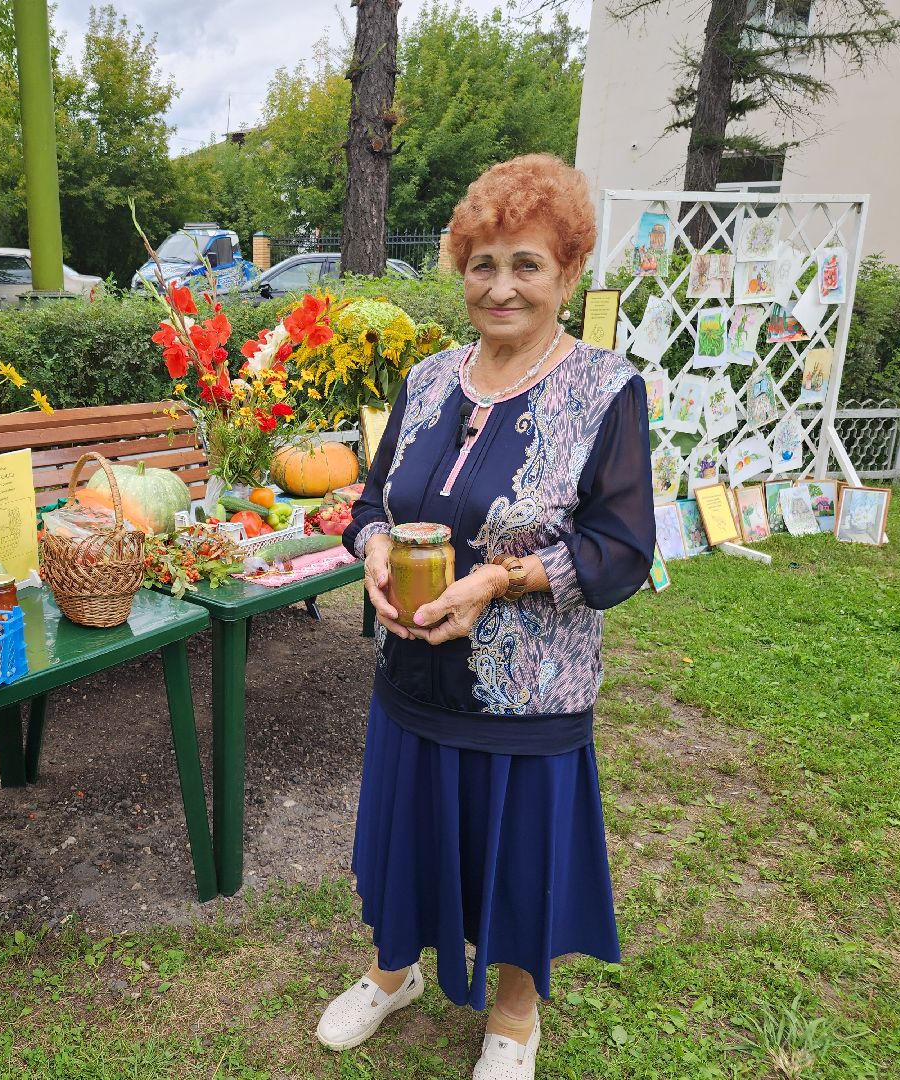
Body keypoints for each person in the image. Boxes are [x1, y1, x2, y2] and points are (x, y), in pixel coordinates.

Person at [318, 154, 655, 1079]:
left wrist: (497, 582)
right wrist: (373, 548)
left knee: (515, 856)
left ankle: (515, 1016)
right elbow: (372, 499)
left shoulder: (606, 391)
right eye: (483, 264)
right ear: (461, 270)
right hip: (412, 672)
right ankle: (395, 975)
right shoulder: (427, 380)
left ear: (569, 272)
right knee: (409, 833)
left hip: (527, 695)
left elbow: (621, 551)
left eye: (527, 265)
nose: (501, 286)